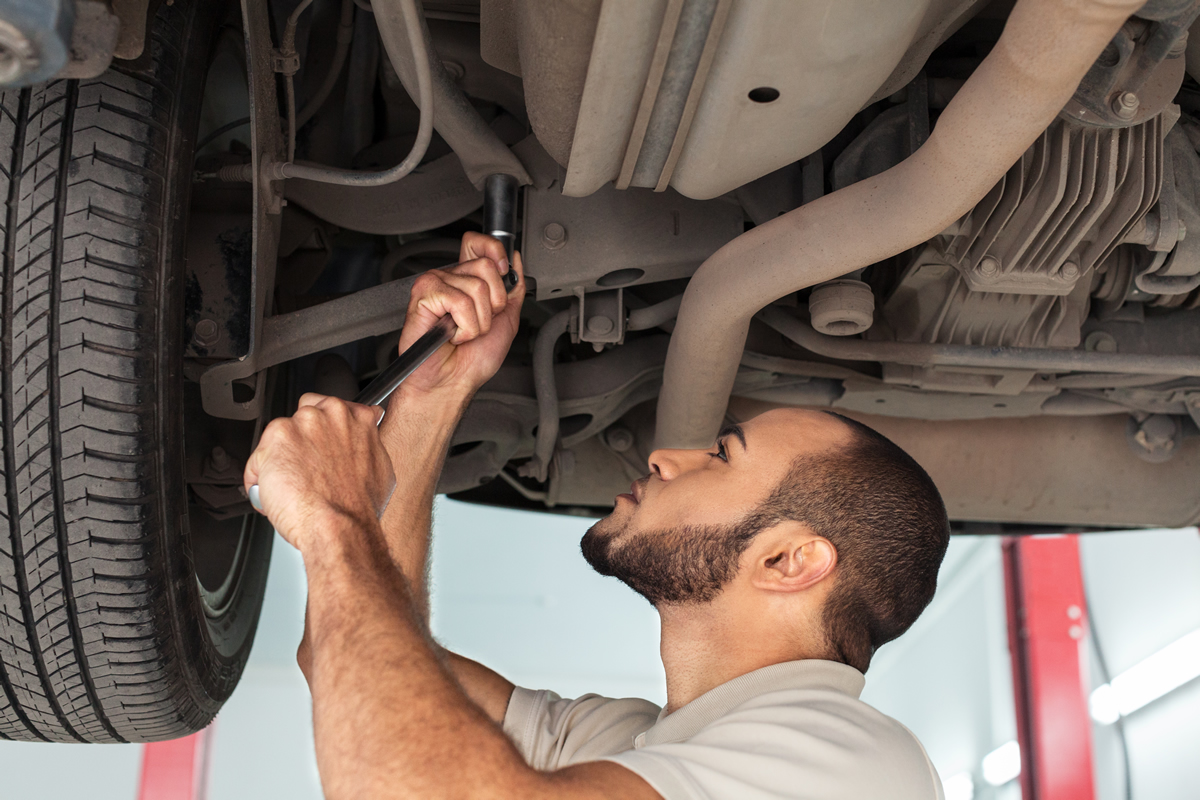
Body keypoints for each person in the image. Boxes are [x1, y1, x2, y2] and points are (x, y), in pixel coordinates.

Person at [244, 232, 951, 800]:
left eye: (721, 456)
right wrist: (433, 396)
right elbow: (356, 664)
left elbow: (402, 777)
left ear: (788, 560)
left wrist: (340, 522)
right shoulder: (644, 743)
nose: (669, 458)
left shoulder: (847, 763)